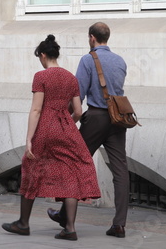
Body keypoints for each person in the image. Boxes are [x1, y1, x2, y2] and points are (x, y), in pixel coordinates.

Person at [1, 34, 101, 241]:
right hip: (67, 129)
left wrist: (29, 138)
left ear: (44, 55)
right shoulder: (70, 78)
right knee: (71, 172)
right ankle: (70, 228)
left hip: (46, 129)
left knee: (31, 168)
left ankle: (23, 223)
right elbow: (79, 112)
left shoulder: (41, 76)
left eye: (40, 57)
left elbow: (36, 109)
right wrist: (65, 124)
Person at [47, 22, 129, 238]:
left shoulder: (88, 59)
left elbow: (78, 94)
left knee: (74, 164)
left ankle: (66, 218)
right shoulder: (120, 60)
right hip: (118, 119)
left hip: (96, 118)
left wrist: (63, 120)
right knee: (120, 170)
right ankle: (119, 224)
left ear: (92, 37)